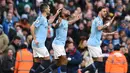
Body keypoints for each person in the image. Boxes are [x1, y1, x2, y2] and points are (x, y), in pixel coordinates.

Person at [41, 8, 81, 73]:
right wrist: (57, 23)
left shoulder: (65, 21)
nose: (68, 10)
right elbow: (55, 26)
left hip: (61, 45)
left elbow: (69, 22)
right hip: (57, 44)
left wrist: (76, 19)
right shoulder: (60, 20)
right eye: (65, 10)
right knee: (64, 61)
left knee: (58, 63)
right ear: (62, 14)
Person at [78, 6, 117, 73]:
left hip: (95, 44)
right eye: (104, 11)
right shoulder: (97, 20)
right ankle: (82, 71)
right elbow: (99, 28)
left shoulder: (100, 20)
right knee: (99, 62)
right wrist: (107, 25)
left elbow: (101, 33)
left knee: (97, 62)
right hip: (93, 44)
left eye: (106, 11)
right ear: (99, 12)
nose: (105, 13)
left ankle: (83, 71)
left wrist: (111, 33)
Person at [30, 3, 61, 73]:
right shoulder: (40, 18)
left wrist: (56, 14)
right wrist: (34, 39)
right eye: (49, 8)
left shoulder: (44, 19)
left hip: (38, 43)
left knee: (37, 63)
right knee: (47, 61)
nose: (50, 9)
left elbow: (50, 21)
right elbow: (32, 27)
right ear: (45, 9)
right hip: (38, 43)